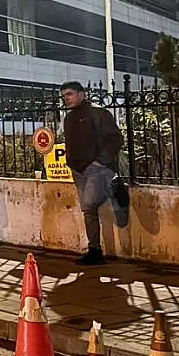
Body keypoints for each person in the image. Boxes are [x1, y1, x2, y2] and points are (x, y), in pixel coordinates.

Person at [61, 81, 127, 266]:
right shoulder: (69, 118)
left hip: (97, 167)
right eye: (64, 95)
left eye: (70, 94)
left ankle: (114, 190)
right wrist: (70, 163)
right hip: (78, 169)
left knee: (90, 202)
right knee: (88, 210)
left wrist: (100, 161)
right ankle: (95, 251)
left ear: (81, 93)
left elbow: (115, 139)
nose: (66, 98)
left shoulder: (98, 113)